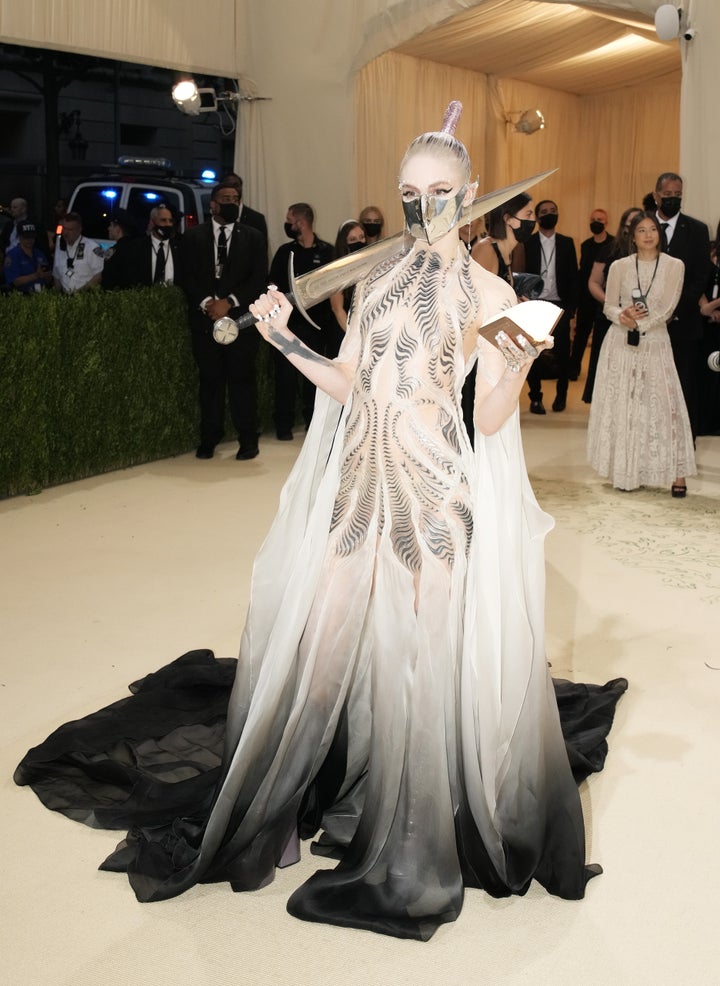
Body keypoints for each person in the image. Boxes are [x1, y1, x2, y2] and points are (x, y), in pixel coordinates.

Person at [14, 103, 626, 942]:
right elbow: (349, 386)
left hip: (436, 495)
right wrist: (285, 342)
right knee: (324, 635)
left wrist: (516, 364)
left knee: (426, 656)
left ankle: (420, 827)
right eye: (409, 193)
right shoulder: (371, 278)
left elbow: (485, 422)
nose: (423, 209)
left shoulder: (492, 293)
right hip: (357, 485)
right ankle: (289, 790)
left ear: (474, 194)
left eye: (441, 192)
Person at [587, 211, 695, 496]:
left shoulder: (675, 265)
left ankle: (677, 473)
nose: (648, 235)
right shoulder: (620, 266)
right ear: (632, 237)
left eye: (653, 230)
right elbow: (608, 304)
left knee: (666, 406)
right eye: (641, 230)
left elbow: (669, 307)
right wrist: (621, 316)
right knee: (625, 405)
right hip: (620, 343)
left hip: (656, 342)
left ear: (659, 234)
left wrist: (640, 322)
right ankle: (627, 471)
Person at [179, 182, 268, 460]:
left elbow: (258, 278)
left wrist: (228, 302)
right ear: (213, 204)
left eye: (236, 198)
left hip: (240, 322)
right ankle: (209, 438)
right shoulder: (193, 237)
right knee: (210, 383)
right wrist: (208, 303)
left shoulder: (253, 237)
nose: (231, 202)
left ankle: (248, 440)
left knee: (243, 382)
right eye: (225, 198)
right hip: (205, 323)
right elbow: (185, 275)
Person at [268, 202, 335, 439]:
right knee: (284, 378)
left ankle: (312, 423)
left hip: (316, 329)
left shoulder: (327, 251)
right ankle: (283, 426)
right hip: (288, 327)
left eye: (290, 220)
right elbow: (272, 285)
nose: (287, 225)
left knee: (313, 380)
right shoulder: (285, 252)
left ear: (302, 223)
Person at [653, 172, 711, 438]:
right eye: (668, 196)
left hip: (683, 323)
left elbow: (700, 276)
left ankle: (685, 443)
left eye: (678, 196)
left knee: (685, 384)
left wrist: (674, 310)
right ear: (656, 196)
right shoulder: (644, 226)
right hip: (648, 324)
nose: (673, 200)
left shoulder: (697, 229)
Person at [522, 199, 578, 413]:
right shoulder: (528, 243)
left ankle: (561, 396)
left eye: (553, 211)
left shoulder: (566, 242)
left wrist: (572, 309)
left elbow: (574, 276)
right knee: (533, 353)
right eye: (544, 212)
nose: (549, 214)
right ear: (537, 217)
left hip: (559, 305)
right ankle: (535, 397)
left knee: (563, 353)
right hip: (534, 305)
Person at [582, 207, 642, 403]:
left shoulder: (652, 254)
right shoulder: (609, 249)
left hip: (640, 320)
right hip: (609, 318)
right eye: (629, 224)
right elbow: (593, 282)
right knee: (606, 365)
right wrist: (611, 303)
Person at [570, 209, 614, 380]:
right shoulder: (586, 245)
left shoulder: (613, 243)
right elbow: (583, 273)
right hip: (587, 298)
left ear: (606, 222)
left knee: (602, 336)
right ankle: (573, 369)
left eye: (600, 220)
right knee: (581, 335)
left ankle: (600, 372)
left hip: (606, 298)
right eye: (594, 219)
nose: (597, 222)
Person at [103, 205, 180, 290]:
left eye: (170, 221)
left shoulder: (180, 248)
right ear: (152, 222)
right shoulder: (135, 248)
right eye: (163, 220)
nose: (167, 224)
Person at [52, 212, 104, 293]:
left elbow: (98, 276)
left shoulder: (93, 247)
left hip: (85, 297)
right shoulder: (59, 247)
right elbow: (57, 276)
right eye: (64, 229)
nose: (66, 233)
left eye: (70, 230)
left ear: (79, 230)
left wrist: (79, 294)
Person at [329, 219, 366, 334]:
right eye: (352, 239)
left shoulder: (369, 264)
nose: (359, 242)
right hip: (344, 332)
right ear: (343, 244)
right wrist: (354, 338)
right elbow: (337, 309)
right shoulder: (337, 271)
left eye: (361, 237)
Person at [3, 222, 53, 293]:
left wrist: (47, 275)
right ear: (19, 237)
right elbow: (14, 281)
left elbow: (48, 279)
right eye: (26, 237)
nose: (30, 240)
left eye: (32, 237)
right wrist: (36, 275)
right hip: (21, 295)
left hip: (41, 293)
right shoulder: (12, 255)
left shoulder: (39, 253)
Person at [217, 172, 268, 243]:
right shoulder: (217, 217)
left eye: (236, 185)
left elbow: (262, 250)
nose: (233, 189)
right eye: (229, 185)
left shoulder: (257, 219)